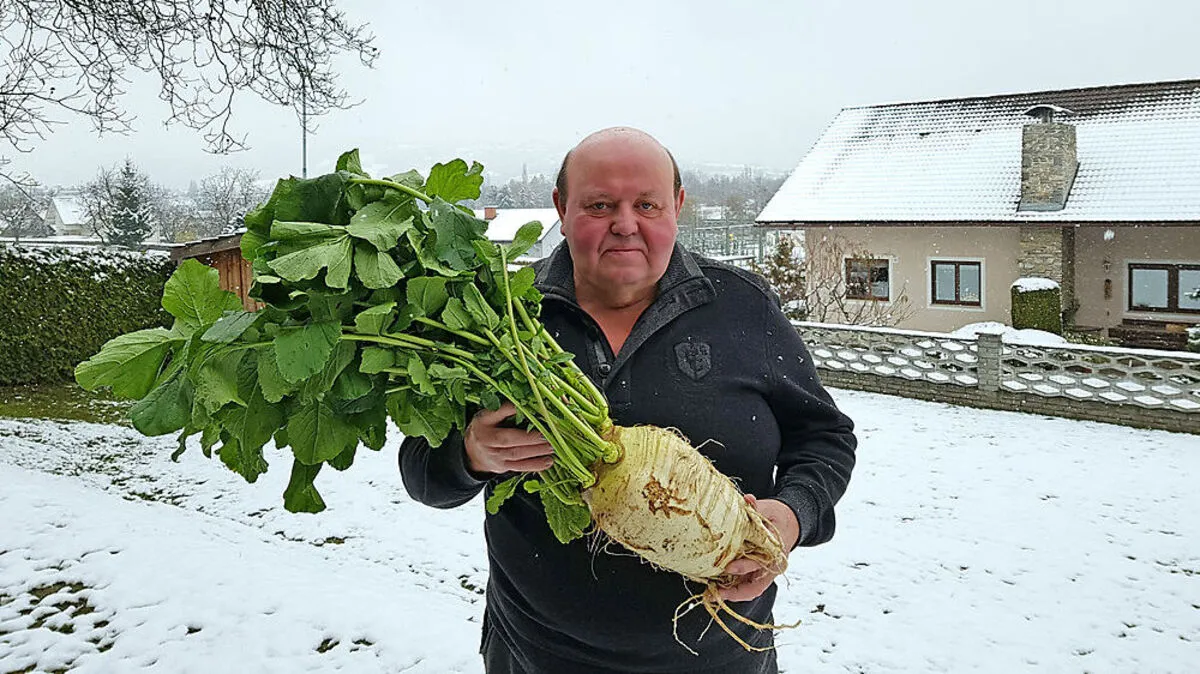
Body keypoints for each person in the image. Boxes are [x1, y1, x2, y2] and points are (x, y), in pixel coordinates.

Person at [399, 127, 857, 674]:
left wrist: (793, 513)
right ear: (562, 210)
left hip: (720, 659)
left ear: (678, 206)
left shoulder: (743, 308)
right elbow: (423, 475)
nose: (625, 223)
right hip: (537, 657)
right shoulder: (500, 321)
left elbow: (823, 437)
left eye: (646, 204)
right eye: (599, 205)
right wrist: (470, 453)